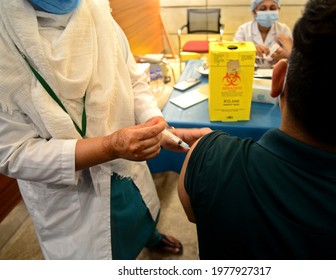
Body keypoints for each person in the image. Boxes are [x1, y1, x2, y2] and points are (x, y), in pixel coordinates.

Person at [178, 0, 336, 259]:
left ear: (277, 81)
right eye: (263, 7)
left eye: (272, 6)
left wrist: (207, 152)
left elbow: (193, 211)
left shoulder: (206, 159)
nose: (268, 12)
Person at [0, 0, 210, 259]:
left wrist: (157, 125)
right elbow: (13, 153)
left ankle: (150, 235)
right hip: (71, 193)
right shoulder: (5, 40)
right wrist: (110, 146)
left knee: (142, 210)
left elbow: (133, 79)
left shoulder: (97, 11)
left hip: (128, 166)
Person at [233, 0, 292, 68]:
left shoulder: (283, 29)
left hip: (276, 74)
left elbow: (295, 57)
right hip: (251, 73)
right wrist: (252, 50)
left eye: (272, 8)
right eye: (263, 9)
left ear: (278, 10)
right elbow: (234, 53)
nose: (268, 12)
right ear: (254, 12)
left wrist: (286, 55)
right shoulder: (244, 30)